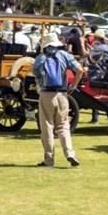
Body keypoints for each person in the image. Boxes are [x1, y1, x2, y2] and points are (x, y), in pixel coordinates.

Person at [33, 32, 84, 167]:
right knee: (63, 126)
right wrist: (74, 85)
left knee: (47, 127)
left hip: (46, 95)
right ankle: (70, 154)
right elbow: (80, 70)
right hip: (62, 94)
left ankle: (49, 159)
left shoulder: (40, 58)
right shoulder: (65, 56)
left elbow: (36, 74)